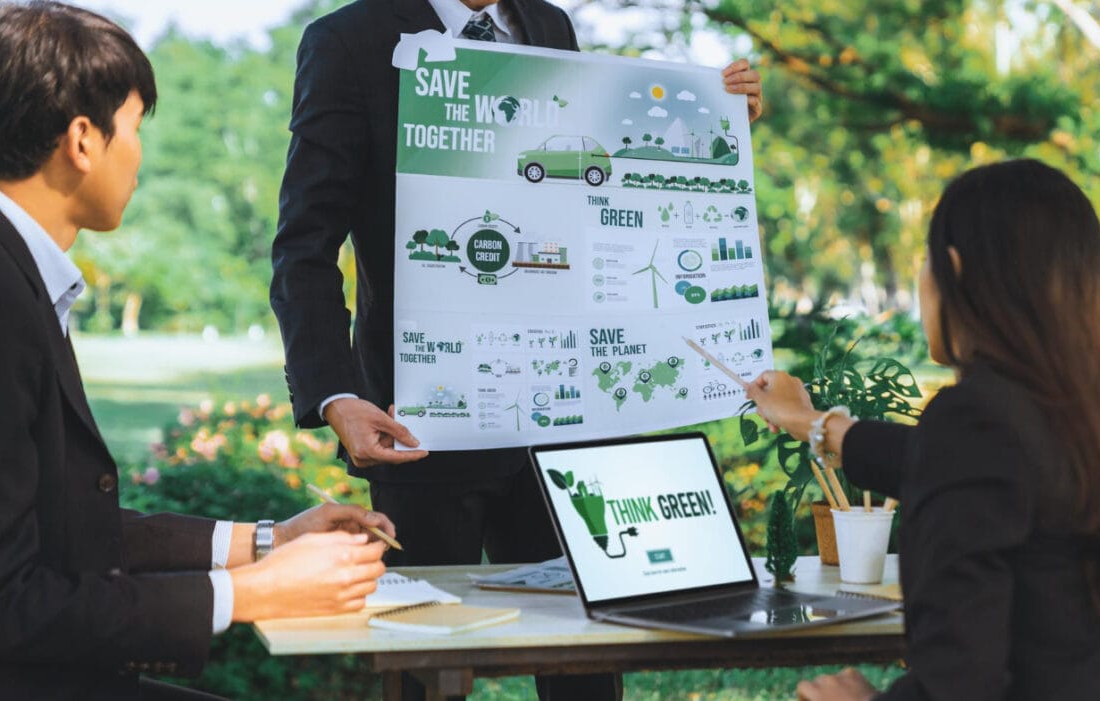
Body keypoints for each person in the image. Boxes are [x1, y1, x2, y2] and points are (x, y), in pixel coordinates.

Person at [271, 1, 761, 698]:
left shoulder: (550, 26)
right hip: (420, 421)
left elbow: (599, 186)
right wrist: (336, 393)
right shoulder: (348, 41)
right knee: (425, 667)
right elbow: (304, 247)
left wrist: (717, 133)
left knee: (587, 661)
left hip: (565, 416)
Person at [0, 4, 395, 698]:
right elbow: (13, 606)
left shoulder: (24, 279)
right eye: (137, 127)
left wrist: (271, 540)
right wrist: (245, 593)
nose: (140, 154)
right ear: (84, 140)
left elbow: (67, 531)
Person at [747, 160, 1100, 701]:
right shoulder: (1099, 411)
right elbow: (960, 465)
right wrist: (816, 425)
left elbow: (963, 678)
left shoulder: (975, 419)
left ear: (953, 270)